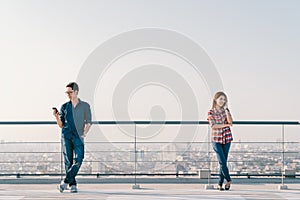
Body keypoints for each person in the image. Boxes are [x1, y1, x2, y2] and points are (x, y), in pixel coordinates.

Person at [53, 82, 92, 193]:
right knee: (68, 161)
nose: (68, 94)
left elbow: (89, 122)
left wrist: (84, 134)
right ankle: (73, 184)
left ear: (76, 92)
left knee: (79, 159)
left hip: (78, 136)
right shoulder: (64, 107)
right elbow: (61, 125)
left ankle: (65, 182)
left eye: (70, 92)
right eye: (67, 93)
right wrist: (56, 117)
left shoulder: (85, 106)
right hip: (66, 136)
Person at [207, 91, 233, 191]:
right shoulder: (211, 112)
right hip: (216, 139)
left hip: (227, 138)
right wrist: (226, 125)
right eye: (220, 99)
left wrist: (226, 109)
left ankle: (220, 183)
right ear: (215, 100)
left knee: (224, 162)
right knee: (222, 162)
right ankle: (229, 180)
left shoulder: (226, 111)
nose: (222, 101)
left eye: (224, 99)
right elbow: (213, 125)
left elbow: (231, 121)